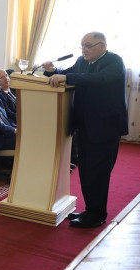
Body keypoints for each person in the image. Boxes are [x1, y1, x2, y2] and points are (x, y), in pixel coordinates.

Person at [43, 32, 128, 228]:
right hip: (86, 125)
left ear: (103, 46)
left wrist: (65, 75)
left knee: (99, 171)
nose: (84, 49)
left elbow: (99, 79)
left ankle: (97, 215)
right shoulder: (82, 61)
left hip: (106, 127)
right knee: (87, 169)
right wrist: (52, 71)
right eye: (82, 45)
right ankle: (90, 210)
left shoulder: (114, 61)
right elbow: (70, 76)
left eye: (89, 45)